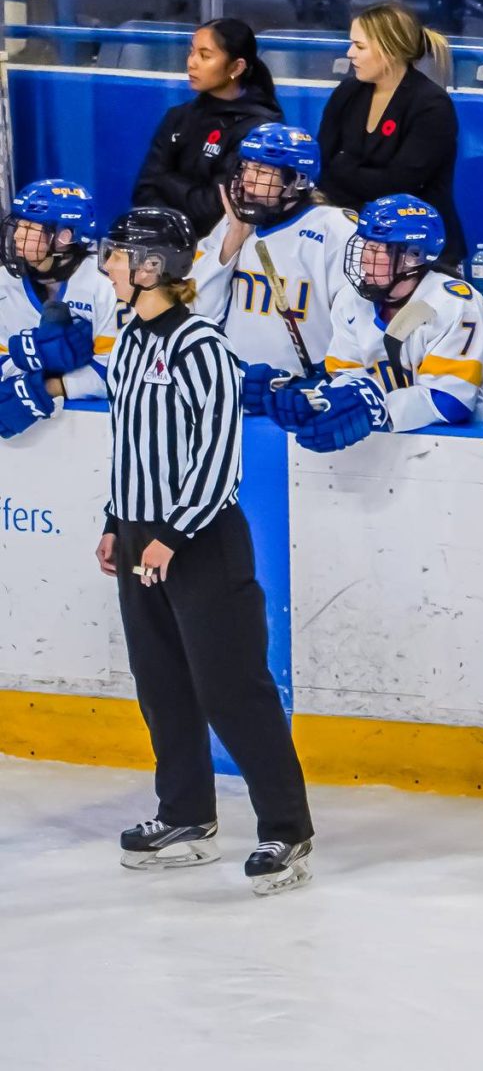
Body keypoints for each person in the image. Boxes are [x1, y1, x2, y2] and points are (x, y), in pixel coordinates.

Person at [92, 205, 314, 895]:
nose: (108, 264)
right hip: (139, 534)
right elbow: (129, 442)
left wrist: (170, 536)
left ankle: (287, 827)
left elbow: (219, 460)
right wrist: (115, 521)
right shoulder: (128, 338)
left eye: (120, 255)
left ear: (153, 267)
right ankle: (186, 814)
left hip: (199, 537)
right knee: (160, 682)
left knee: (232, 688)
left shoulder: (203, 348)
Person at [270, 195, 483, 451]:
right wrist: (321, 402)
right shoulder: (350, 300)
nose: (363, 260)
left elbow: (451, 403)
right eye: (365, 247)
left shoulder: (454, 303)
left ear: (413, 256)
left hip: (481, 448)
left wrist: (374, 406)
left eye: (375, 251)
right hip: (399, 447)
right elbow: (346, 376)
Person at [189, 122, 363, 417]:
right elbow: (196, 315)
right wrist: (231, 243)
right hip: (234, 393)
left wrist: (330, 380)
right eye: (246, 168)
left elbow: (359, 323)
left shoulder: (335, 231)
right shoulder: (232, 225)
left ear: (297, 180)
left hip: (299, 401)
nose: (247, 181)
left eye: (263, 172)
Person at [314, 0, 464, 270]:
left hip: (417, 250)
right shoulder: (347, 93)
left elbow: (399, 185)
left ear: (390, 50)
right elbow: (321, 164)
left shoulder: (431, 105)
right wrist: (349, 172)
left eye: (359, 46)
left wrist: (344, 165)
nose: (350, 54)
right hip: (351, 241)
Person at [130, 19, 284, 239]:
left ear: (236, 67)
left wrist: (164, 179)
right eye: (191, 52)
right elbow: (143, 190)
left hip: (221, 250)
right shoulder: (178, 116)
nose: (192, 62)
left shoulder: (259, 130)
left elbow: (216, 208)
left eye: (205, 56)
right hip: (163, 241)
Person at [0, 178, 118, 438]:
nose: (18, 235)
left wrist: (53, 386)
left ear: (64, 237)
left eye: (29, 227)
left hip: (93, 437)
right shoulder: (3, 283)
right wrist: (37, 363)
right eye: (18, 224)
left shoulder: (107, 284)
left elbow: (117, 371)